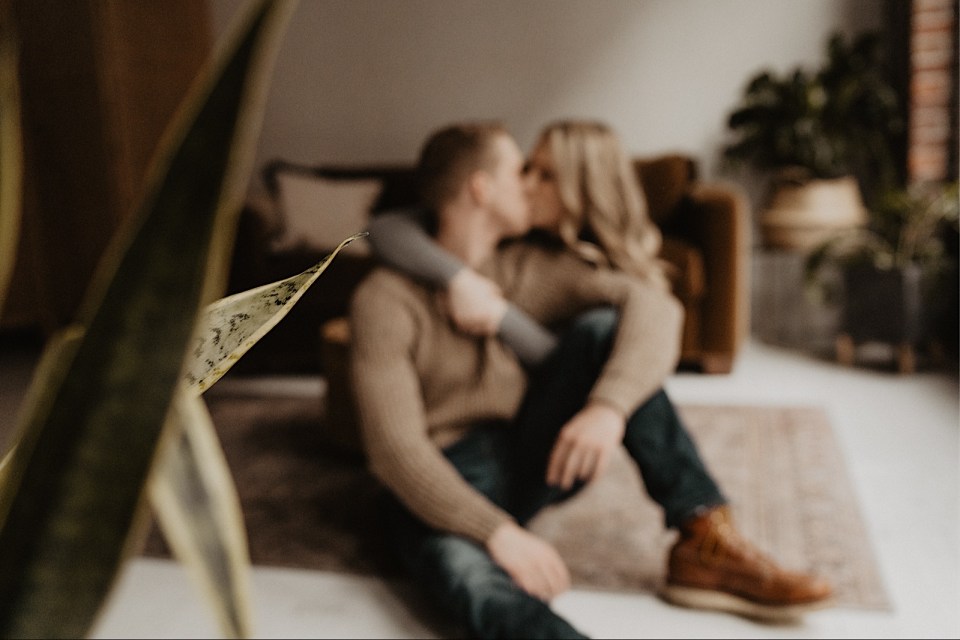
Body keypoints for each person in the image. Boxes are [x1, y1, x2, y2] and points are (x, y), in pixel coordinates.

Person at [350, 122, 832, 639]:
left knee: (606, 331)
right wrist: (497, 533)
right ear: (481, 189)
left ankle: (703, 536)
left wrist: (608, 408)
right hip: (441, 477)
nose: (530, 184)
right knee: (473, 580)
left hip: (526, 452)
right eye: (521, 171)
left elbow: (655, 308)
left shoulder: (528, 265)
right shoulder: (384, 300)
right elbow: (395, 452)